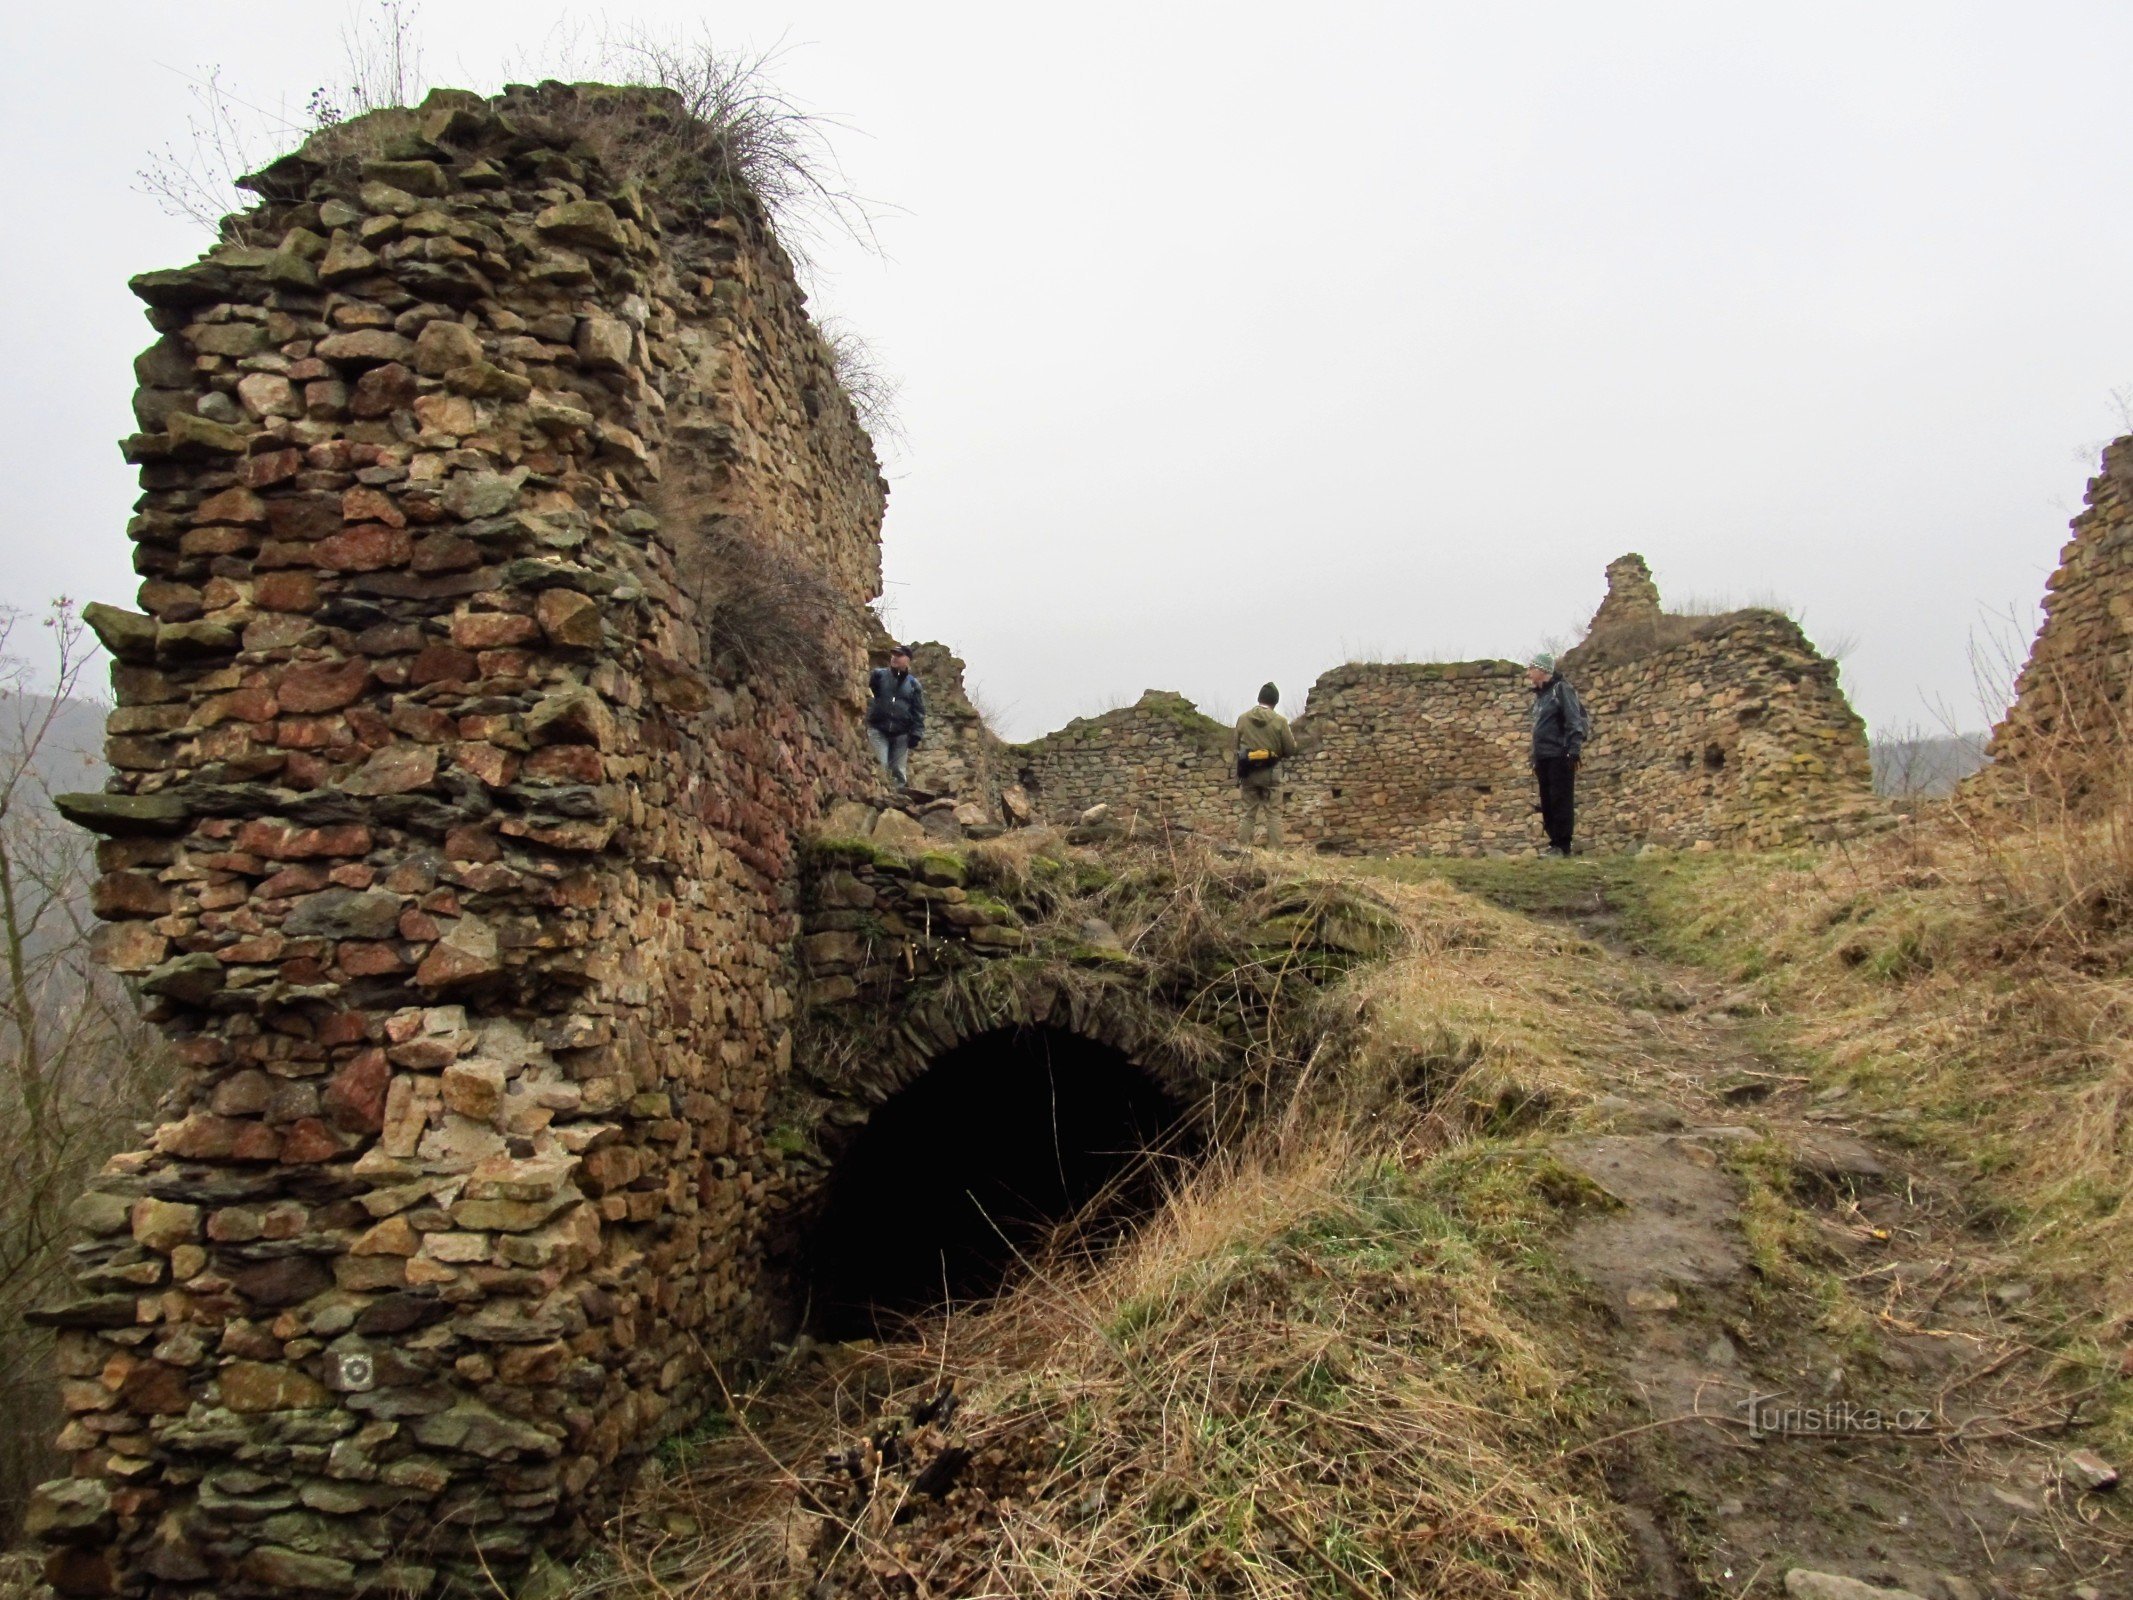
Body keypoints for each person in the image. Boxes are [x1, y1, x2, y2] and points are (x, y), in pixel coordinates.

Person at [1527, 653, 1589, 856]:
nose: (1528, 673)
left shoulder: (1561, 689)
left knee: (1560, 799)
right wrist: (1535, 757)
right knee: (1547, 800)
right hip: (1543, 756)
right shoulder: (1541, 697)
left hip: (1559, 754)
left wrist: (1574, 750)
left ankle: (1563, 845)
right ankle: (1554, 843)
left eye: (1532, 668)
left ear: (1543, 670)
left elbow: (1574, 720)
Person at [1233, 682, 1298, 847]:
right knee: (1273, 814)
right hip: (1271, 773)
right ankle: (1275, 854)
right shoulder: (1280, 721)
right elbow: (1290, 749)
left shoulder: (1243, 719)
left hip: (1248, 771)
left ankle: (1242, 850)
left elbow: (1235, 746)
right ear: (1275, 702)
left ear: (1259, 698)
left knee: (1248, 813)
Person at [866, 645, 926, 789]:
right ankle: (879, 797)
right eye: (893, 654)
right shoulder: (878, 675)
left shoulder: (913, 684)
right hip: (878, 729)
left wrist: (916, 733)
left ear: (908, 660)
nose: (894, 658)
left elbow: (918, 711)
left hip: (902, 734)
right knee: (881, 765)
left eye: (899, 655)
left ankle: (896, 805)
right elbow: (867, 694)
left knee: (898, 772)